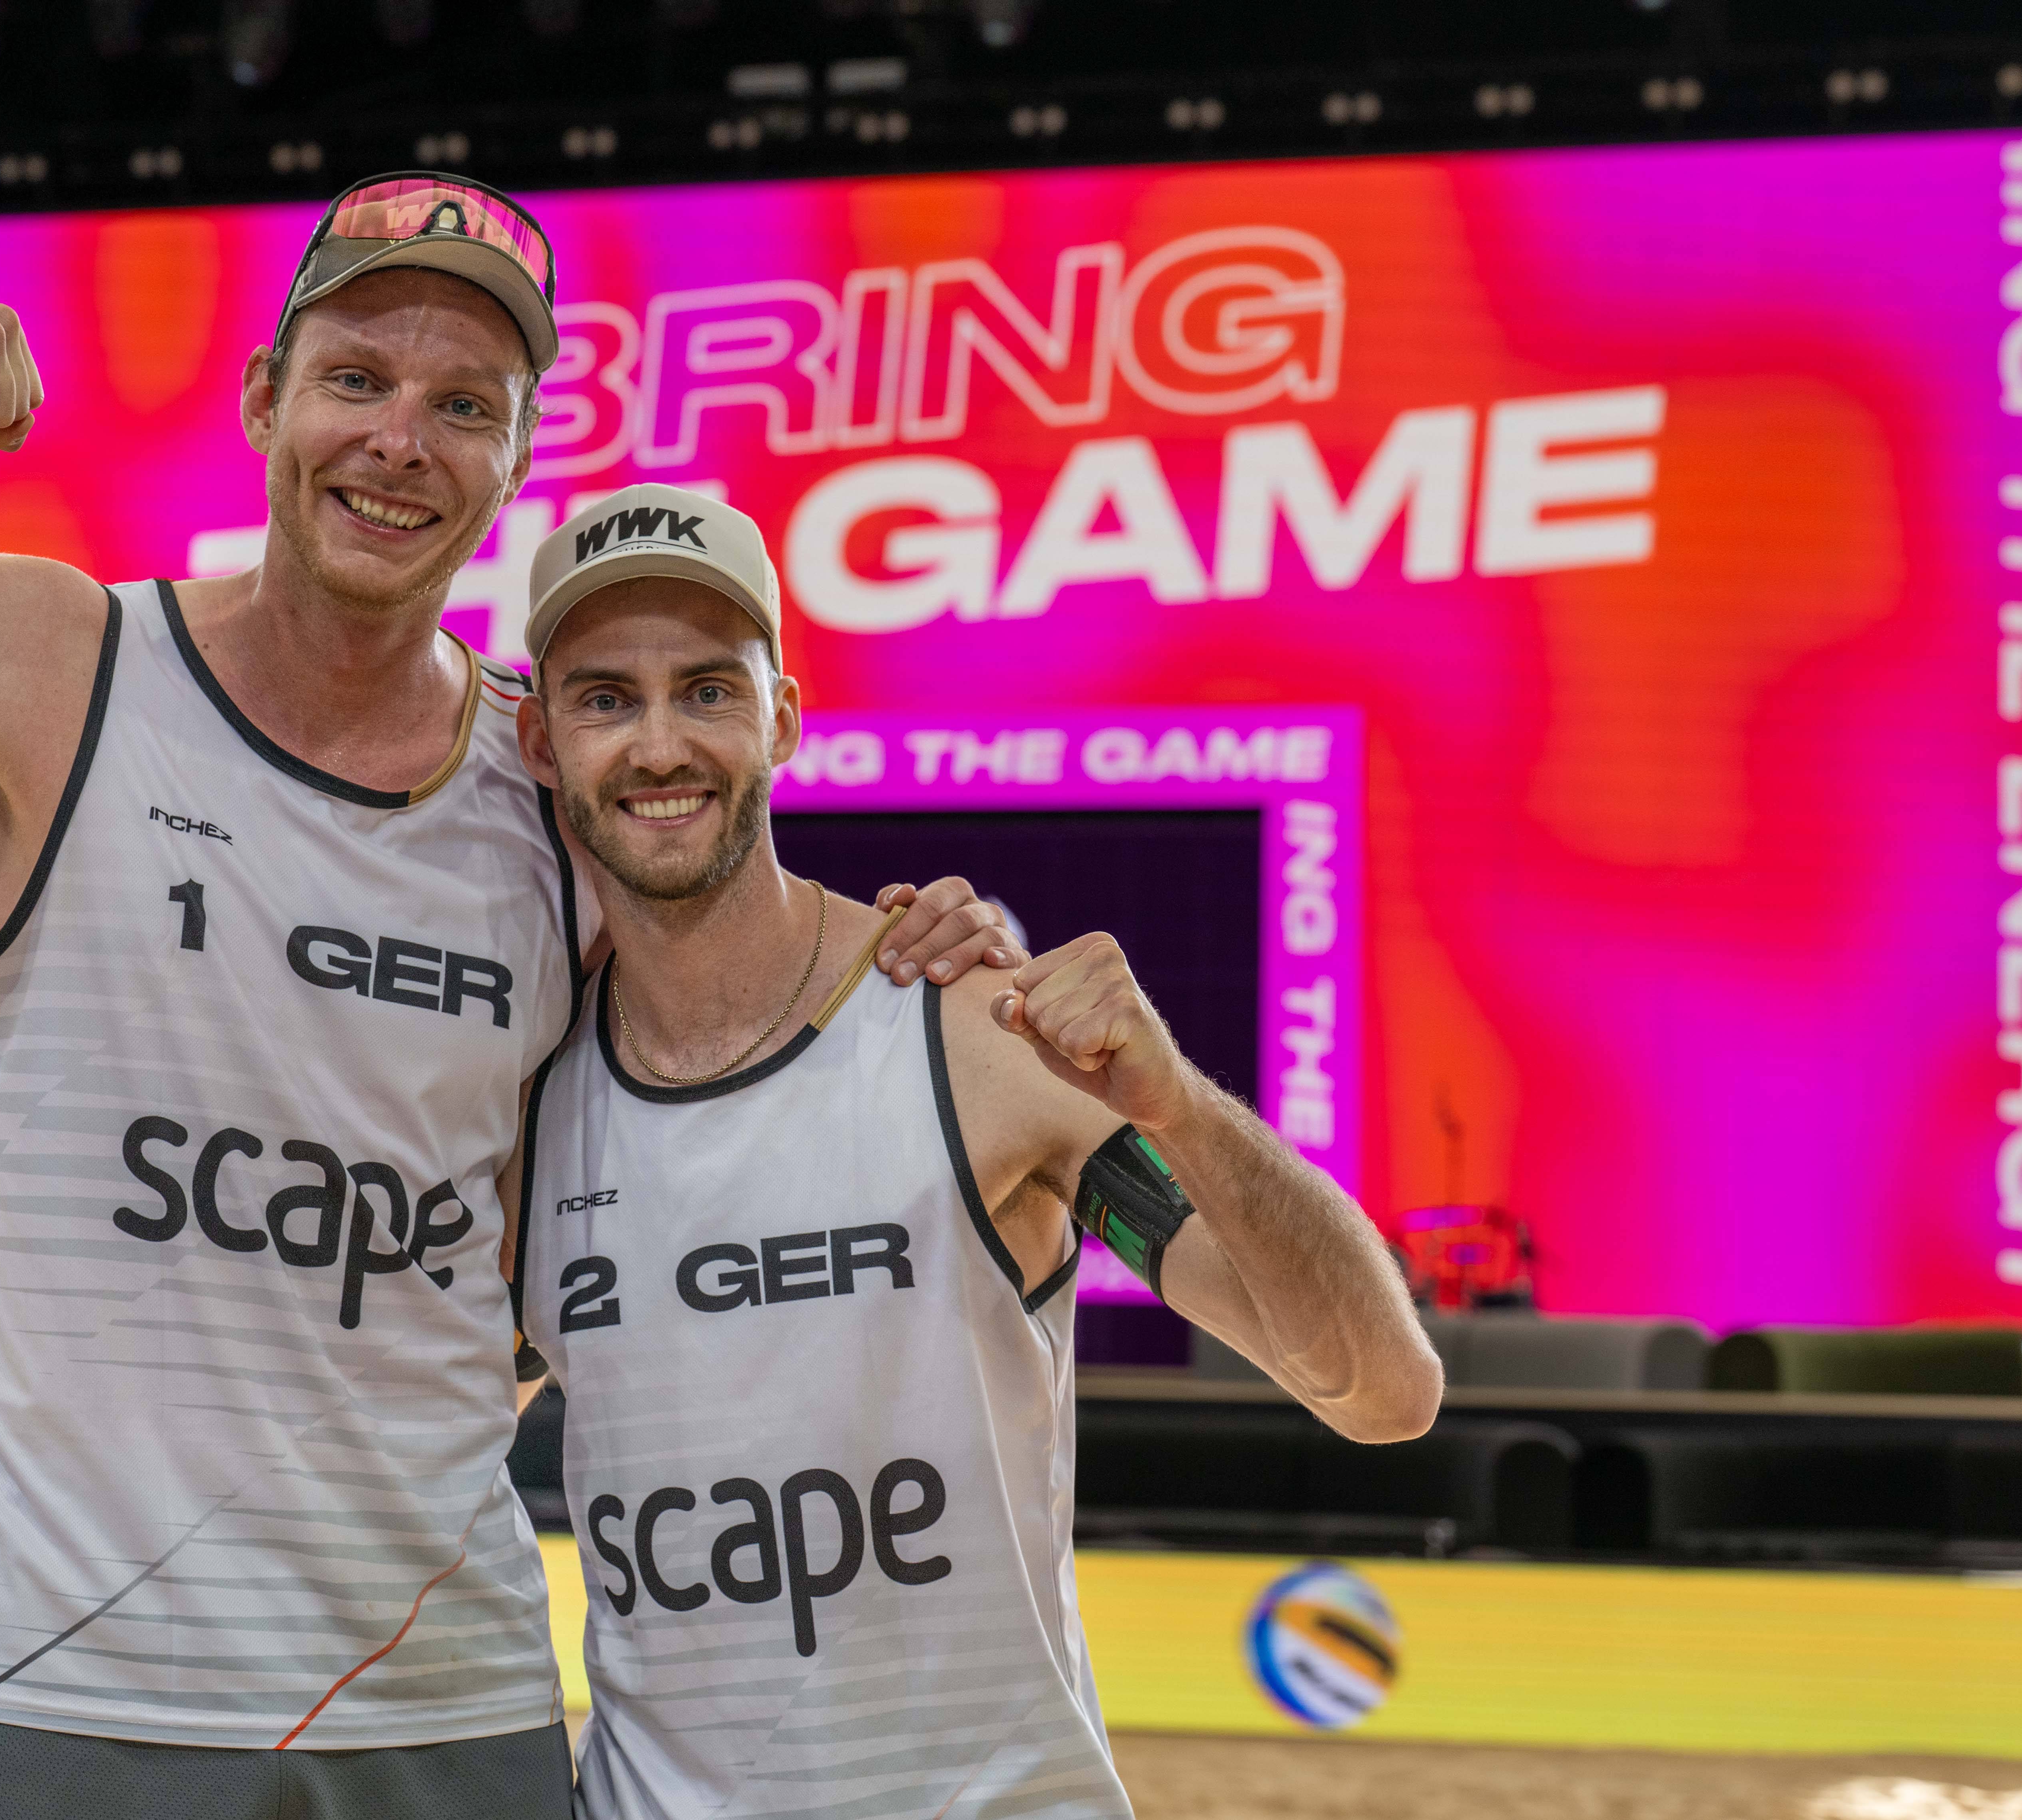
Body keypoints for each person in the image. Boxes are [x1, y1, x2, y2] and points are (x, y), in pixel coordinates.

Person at [0, 175, 1018, 1820]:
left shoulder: (550, 791)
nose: (402, 439)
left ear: (517, 457)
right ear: (260, 398)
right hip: (40, 1696)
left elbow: (672, 1136)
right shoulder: (31, 662)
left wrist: (941, 939)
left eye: (466, 404)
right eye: (356, 378)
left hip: (436, 1710)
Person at [506, 484, 1443, 1820]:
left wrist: (1179, 1105)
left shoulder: (972, 1033)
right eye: (607, 698)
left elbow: (1381, 1390)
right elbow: (413, 1438)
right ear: (540, 741)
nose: (661, 744)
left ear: (782, 716)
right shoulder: (528, 1111)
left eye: (708, 689)